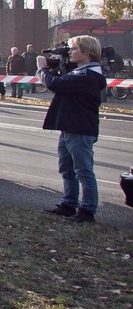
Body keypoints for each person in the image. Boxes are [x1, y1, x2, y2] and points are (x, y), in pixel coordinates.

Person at [37, 35, 107, 223]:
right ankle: (69, 204)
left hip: (80, 129)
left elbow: (55, 84)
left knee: (83, 171)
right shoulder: (80, 72)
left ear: (87, 53)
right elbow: (62, 81)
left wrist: (42, 69)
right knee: (67, 169)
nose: (70, 52)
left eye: (74, 49)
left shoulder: (89, 75)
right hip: (69, 127)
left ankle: (87, 210)